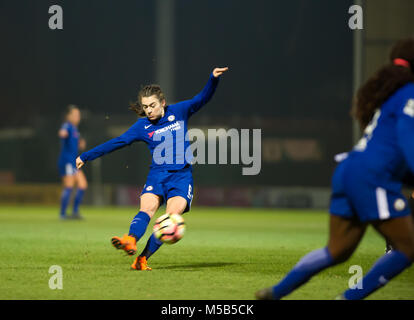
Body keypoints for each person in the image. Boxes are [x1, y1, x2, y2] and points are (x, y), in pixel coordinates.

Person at [256, 38, 414, 300]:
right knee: (408, 248)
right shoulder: (409, 93)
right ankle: (348, 298)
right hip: (372, 176)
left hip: (349, 169)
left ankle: (275, 292)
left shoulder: (391, 96)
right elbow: (408, 140)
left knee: (337, 251)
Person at [76, 67, 228, 270]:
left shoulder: (179, 111)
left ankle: (142, 259)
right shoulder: (142, 126)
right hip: (157, 175)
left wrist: (213, 79)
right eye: (145, 106)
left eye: (152, 105)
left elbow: (202, 98)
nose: (148, 110)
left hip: (181, 178)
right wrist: (86, 156)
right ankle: (130, 239)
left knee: (170, 220)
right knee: (146, 209)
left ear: (163, 103)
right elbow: (118, 142)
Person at [58, 105, 88, 220]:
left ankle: (75, 211)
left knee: (82, 185)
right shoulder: (68, 125)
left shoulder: (75, 129)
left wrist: (80, 144)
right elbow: (63, 132)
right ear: (68, 116)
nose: (77, 117)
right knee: (69, 186)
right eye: (75, 115)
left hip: (73, 162)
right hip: (67, 161)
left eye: (78, 115)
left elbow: (74, 143)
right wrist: (62, 132)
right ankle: (62, 214)